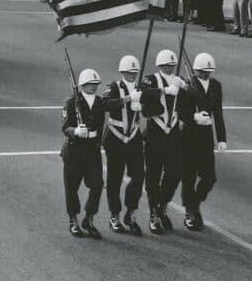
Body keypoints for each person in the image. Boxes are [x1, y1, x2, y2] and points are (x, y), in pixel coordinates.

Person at [102, 55, 158, 236]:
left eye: (134, 72)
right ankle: (114, 215)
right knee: (114, 179)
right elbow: (106, 105)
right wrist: (128, 99)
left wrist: (143, 106)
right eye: (128, 72)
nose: (132, 75)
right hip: (116, 136)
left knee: (139, 176)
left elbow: (158, 108)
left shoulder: (142, 89)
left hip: (133, 136)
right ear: (122, 72)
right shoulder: (114, 87)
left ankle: (130, 212)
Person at [139, 49, 188, 234]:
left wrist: (184, 86)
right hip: (155, 133)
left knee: (175, 173)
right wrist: (164, 91)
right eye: (166, 65)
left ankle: (162, 205)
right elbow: (142, 95)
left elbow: (192, 99)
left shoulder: (178, 79)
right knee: (153, 175)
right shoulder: (151, 79)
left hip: (173, 132)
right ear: (159, 66)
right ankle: (153, 213)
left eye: (171, 65)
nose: (169, 68)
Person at [178, 52, 227, 231]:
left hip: (206, 137)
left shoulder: (215, 86)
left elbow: (218, 113)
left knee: (209, 177)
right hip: (189, 136)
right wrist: (194, 117)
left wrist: (222, 138)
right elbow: (180, 112)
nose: (205, 74)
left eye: (208, 71)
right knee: (188, 178)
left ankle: (194, 204)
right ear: (196, 70)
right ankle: (190, 211)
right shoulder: (187, 86)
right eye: (202, 71)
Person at [61, 68, 112, 239]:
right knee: (72, 188)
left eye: (96, 84)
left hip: (92, 150)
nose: (94, 86)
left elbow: (113, 104)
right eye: (90, 84)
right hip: (74, 150)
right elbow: (65, 127)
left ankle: (89, 218)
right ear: (82, 85)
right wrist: (75, 131)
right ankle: (73, 219)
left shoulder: (99, 101)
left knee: (97, 184)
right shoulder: (71, 102)